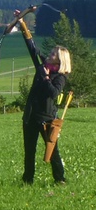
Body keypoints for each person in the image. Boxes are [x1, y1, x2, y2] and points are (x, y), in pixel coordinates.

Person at [21, 40, 71, 185]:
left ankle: (60, 179)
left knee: (52, 149)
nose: (50, 54)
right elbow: (33, 50)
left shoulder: (60, 77)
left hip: (46, 119)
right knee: (29, 150)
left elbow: (54, 93)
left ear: (60, 59)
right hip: (31, 115)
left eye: (53, 53)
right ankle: (27, 179)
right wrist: (23, 26)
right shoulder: (42, 67)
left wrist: (46, 78)